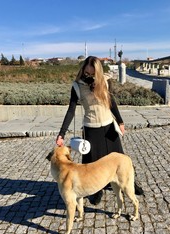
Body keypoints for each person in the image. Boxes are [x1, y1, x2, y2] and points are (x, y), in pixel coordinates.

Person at [56, 56, 143, 204]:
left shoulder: (105, 81)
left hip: (109, 126)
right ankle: (96, 191)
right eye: (88, 73)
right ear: (83, 69)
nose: (90, 76)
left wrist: (120, 121)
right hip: (91, 128)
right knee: (92, 164)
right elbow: (71, 110)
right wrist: (61, 133)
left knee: (119, 158)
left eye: (93, 73)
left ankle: (130, 183)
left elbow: (111, 102)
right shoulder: (77, 86)